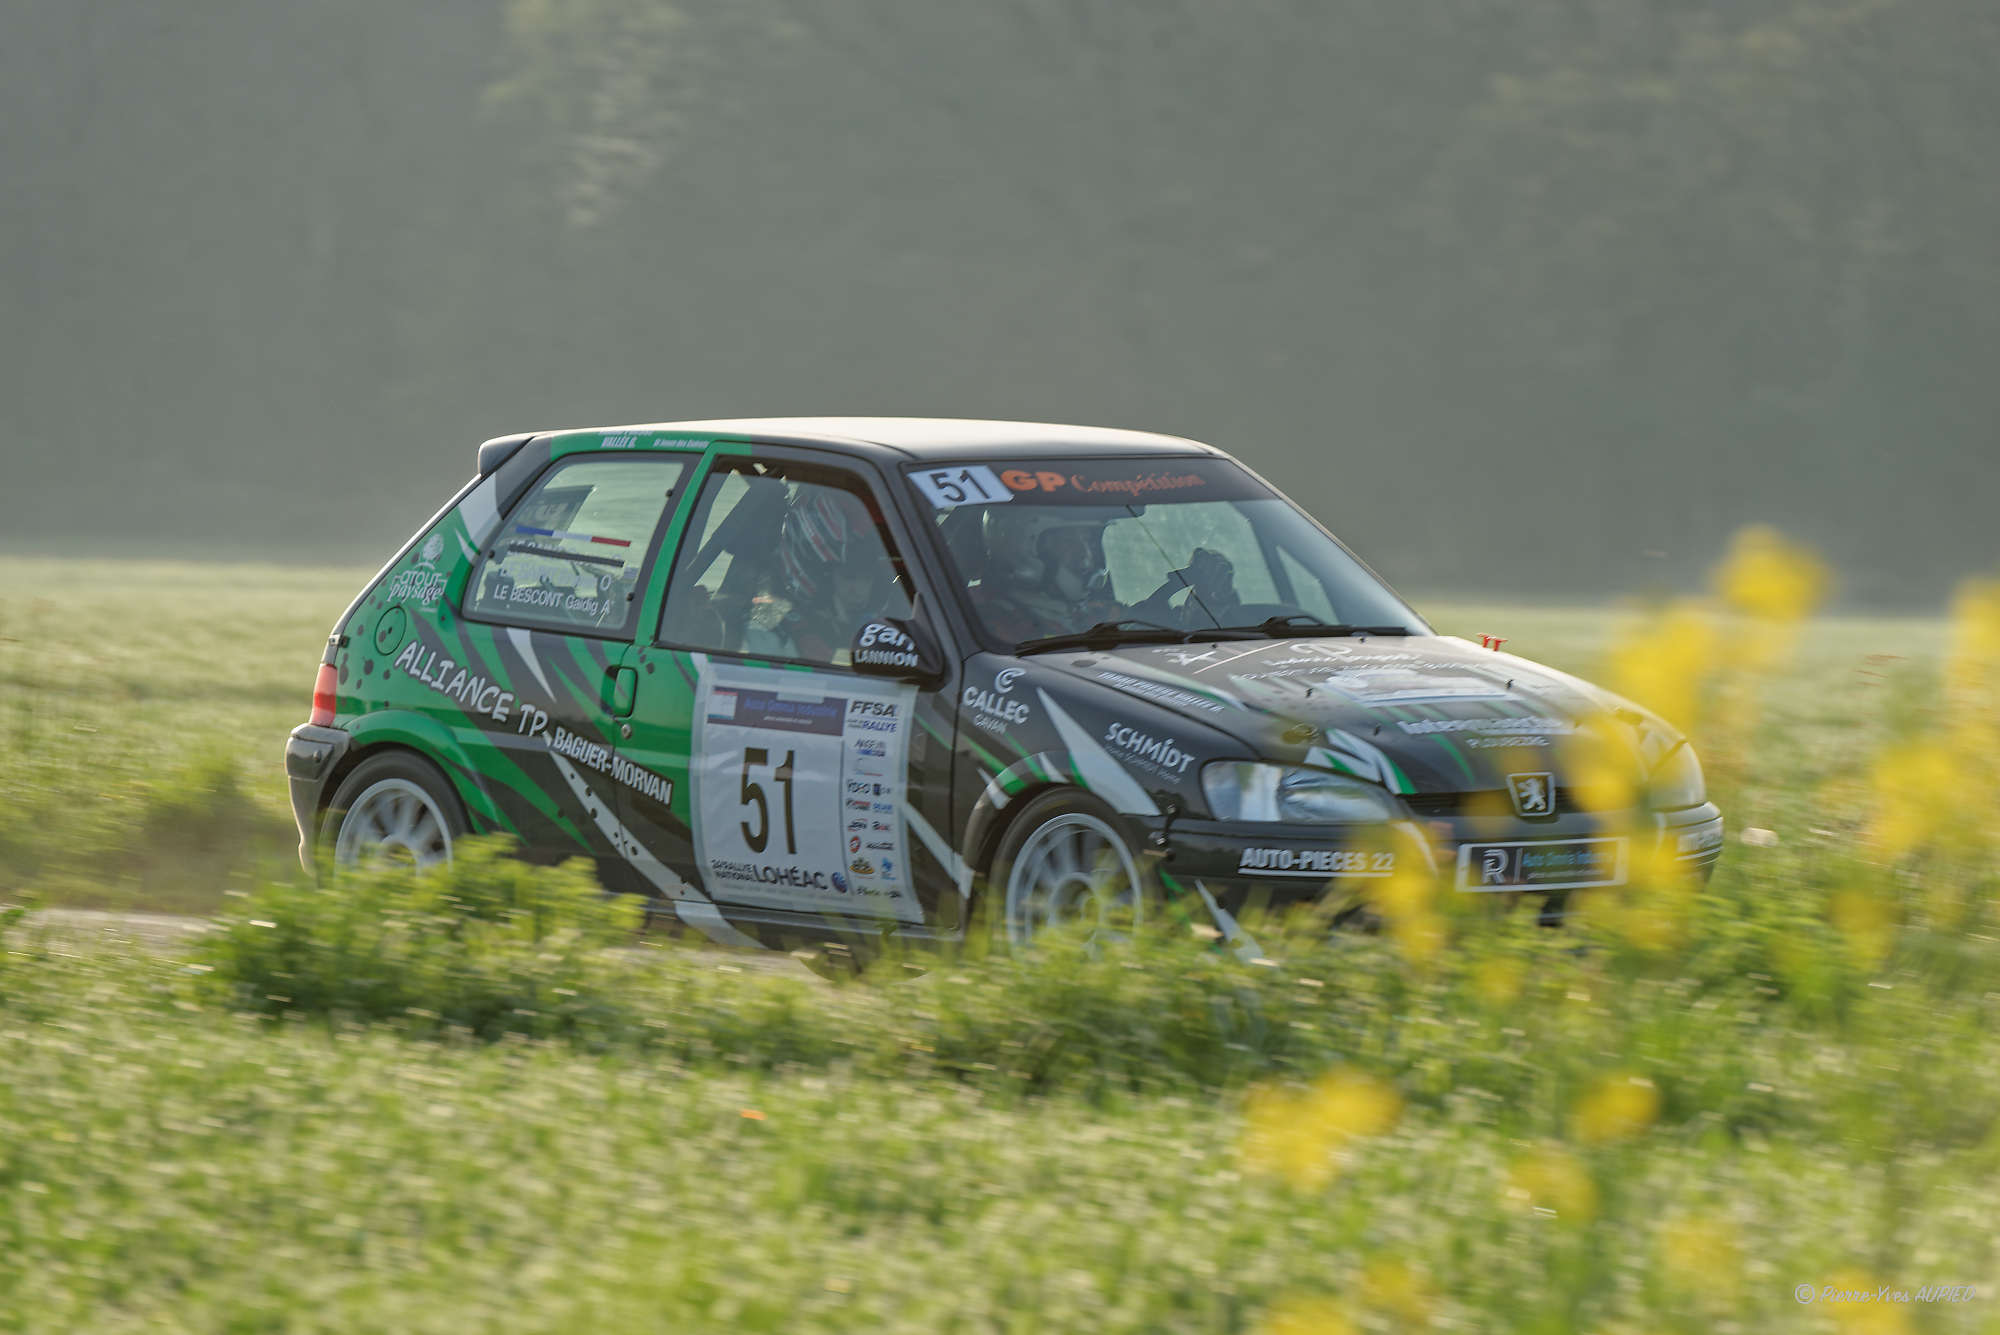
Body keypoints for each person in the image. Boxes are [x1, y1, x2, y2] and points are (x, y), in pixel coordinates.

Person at [743, 486, 906, 662]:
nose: (857, 590)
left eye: (866, 579)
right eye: (848, 578)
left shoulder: (891, 619)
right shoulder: (771, 625)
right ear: (828, 577)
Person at [978, 507, 1125, 642]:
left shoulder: (1089, 610)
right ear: (1022, 547)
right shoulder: (991, 625)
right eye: (1068, 541)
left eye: (1087, 540)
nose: (1085, 554)